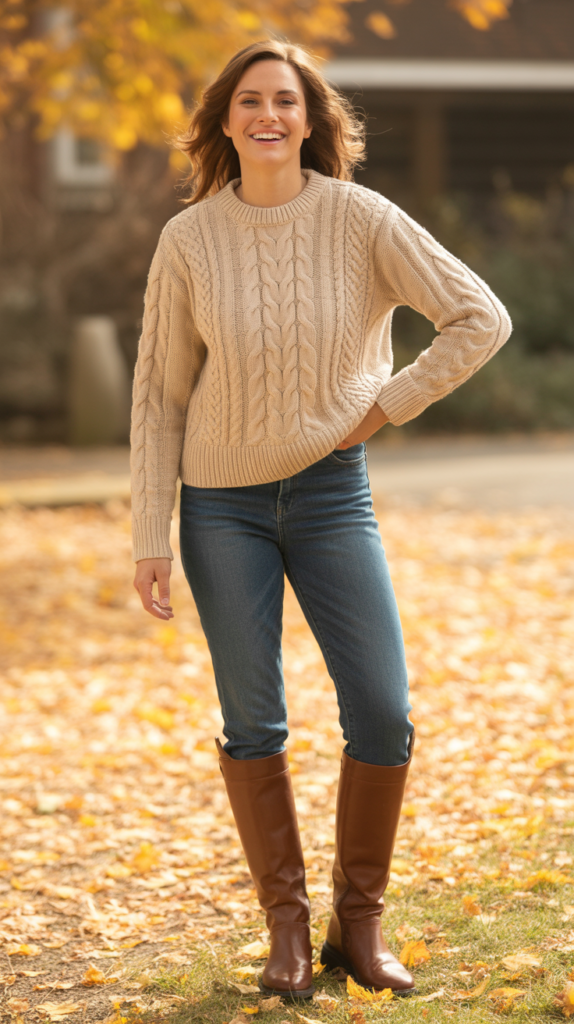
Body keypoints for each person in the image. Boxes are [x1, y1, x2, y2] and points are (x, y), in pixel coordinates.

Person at [130, 40, 512, 1001]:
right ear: (226, 122)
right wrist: (149, 534)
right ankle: (288, 934)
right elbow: (159, 396)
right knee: (253, 719)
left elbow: (479, 316)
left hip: (334, 493)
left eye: (286, 101)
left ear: (310, 120)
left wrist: (385, 407)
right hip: (221, 507)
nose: (268, 115)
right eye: (249, 101)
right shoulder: (189, 240)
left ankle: (360, 925)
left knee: (382, 712)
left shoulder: (359, 219)